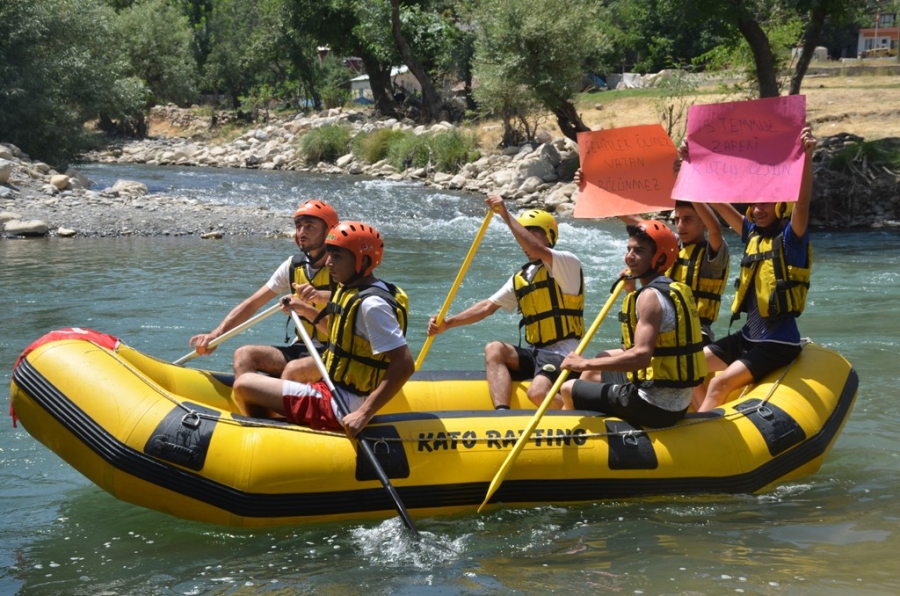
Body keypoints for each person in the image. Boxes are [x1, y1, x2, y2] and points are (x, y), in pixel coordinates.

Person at [232, 221, 415, 437]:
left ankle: (273, 437)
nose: (328, 263)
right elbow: (340, 334)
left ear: (363, 261)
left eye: (337, 257)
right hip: (332, 387)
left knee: (244, 385)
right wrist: (304, 308)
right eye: (329, 255)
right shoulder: (354, 289)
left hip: (343, 404)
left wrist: (364, 413)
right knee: (255, 370)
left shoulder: (372, 305)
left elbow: (404, 364)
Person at [692, 127, 817, 412]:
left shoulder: (790, 241)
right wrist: (692, 169)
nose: (758, 209)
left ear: (781, 205)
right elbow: (720, 206)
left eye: (766, 204)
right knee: (689, 366)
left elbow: (803, 204)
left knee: (718, 383)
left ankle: (703, 432)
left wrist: (806, 157)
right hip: (748, 336)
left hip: (777, 342)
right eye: (755, 204)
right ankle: (703, 418)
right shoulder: (753, 235)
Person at [427, 195, 585, 409]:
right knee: (494, 349)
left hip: (563, 354)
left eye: (532, 234)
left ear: (549, 236)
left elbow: (538, 250)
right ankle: (502, 413)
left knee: (537, 392)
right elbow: (487, 306)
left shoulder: (567, 263)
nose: (525, 242)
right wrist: (448, 323)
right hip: (536, 352)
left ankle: (573, 410)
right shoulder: (523, 276)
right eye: (524, 234)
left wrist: (505, 214)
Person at [558, 220, 707, 428]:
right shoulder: (672, 288)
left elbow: (641, 357)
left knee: (569, 387)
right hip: (678, 403)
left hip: (652, 406)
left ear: (660, 257)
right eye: (628, 249)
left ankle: (572, 437)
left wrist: (584, 363)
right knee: (598, 364)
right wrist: (631, 289)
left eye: (639, 251)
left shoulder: (650, 297)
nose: (629, 256)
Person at [576, 151, 729, 344]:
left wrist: (687, 181)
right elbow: (635, 220)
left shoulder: (713, 253)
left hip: (695, 331)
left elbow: (715, 229)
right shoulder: (671, 244)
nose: (680, 225)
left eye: (688, 220)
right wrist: (592, 186)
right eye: (677, 220)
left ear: (703, 222)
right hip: (661, 325)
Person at [189, 199, 338, 378]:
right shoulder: (292, 266)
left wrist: (320, 296)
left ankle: (280, 398)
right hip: (302, 348)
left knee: (294, 370)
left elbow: (357, 300)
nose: (302, 232)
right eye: (299, 226)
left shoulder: (343, 266)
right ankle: (249, 401)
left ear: (329, 231)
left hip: (336, 354)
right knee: (244, 355)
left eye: (309, 226)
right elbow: (253, 303)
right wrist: (216, 334)